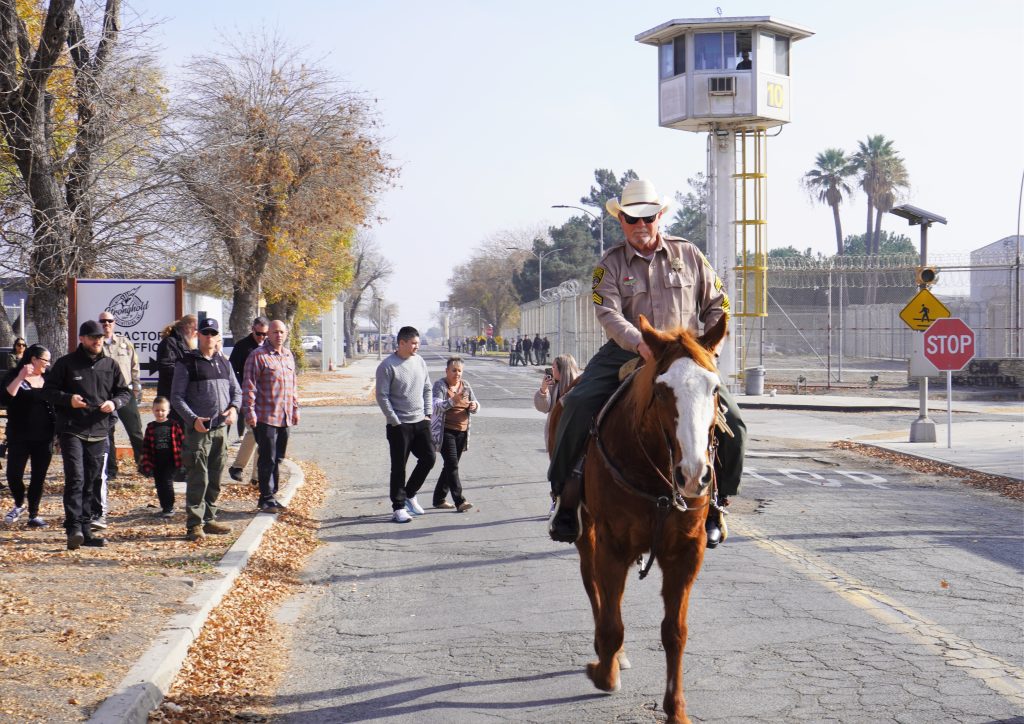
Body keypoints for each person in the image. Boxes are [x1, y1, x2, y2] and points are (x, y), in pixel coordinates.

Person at [547, 178, 746, 547]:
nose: (641, 226)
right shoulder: (607, 265)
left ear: (660, 216)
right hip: (626, 352)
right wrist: (640, 343)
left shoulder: (690, 255)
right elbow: (607, 312)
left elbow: (719, 303)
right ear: (620, 220)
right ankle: (564, 497)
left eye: (648, 218)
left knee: (734, 423)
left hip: (686, 357)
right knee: (574, 404)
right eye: (631, 219)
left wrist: (708, 350)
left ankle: (718, 502)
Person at [43, 320, 131, 549]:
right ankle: (73, 529)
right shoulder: (66, 364)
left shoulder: (110, 365)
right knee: (76, 479)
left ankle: (86, 531)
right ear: (82, 339)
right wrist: (68, 400)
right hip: (72, 429)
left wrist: (114, 403)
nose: (97, 341)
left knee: (92, 481)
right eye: (93, 337)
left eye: (100, 337)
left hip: (100, 431)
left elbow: (124, 392)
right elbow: (49, 391)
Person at [171, 318, 241, 541]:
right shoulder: (187, 363)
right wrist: (192, 420)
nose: (209, 337)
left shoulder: (223, 362)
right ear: (198, 335)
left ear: (218, 337)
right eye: (205, 333)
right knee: (197, 477)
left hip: (221, 430)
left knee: (215, 476)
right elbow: (177, 397)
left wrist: (234, 409)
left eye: (213, 334)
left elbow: (236, 391)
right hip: (199, 431)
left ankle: (209, 518)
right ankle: (194, 524)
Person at [375, 325, 435, 524]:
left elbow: (427, 388)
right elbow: (382, 396)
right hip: (399, 425)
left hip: (420, 421)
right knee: (399, 467)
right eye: (413, 343)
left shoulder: (419, 361)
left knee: (429, 458)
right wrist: (395, 420)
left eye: (417, 343)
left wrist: (428, 413)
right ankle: (398, 507)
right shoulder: (387, 366)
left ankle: (409, 493)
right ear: (402, 343)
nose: (417, 347)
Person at [242, 319, 299, 513]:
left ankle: (272, 495)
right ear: (268, 334)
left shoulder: (288, 355)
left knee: (279, 457)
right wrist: (249, 412)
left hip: (284, 416)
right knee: (268, 456)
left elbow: (293, 385)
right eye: (275, 332)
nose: (279, 335)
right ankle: (265, 497)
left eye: (282, 332)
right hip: (265, 416)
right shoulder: (258, 356)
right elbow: (249, 386)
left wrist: (295, 408)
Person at [1, 344, 55, 527]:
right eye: (45, 360)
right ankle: (19, 503)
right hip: (19, 435)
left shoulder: (49, 379)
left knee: (38, 477)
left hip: (44, 436)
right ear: (33, 359)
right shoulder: (13, 376)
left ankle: (33, 514)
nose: (47, 364)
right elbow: (5, 399)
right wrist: (21, 377)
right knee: (13, 475)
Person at [98, 311, 144, 480]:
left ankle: (144, 465)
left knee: (135, 431)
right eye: (103, 321)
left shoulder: (125, 343)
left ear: (114, 323)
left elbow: (135, 366)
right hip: (105, 396)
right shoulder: (97, 345)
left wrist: (137, 389)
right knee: (107, 434)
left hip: (125, 394)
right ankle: (111, 470)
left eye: (109, 321)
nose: (106, 324)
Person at [430, 357, 479, 512]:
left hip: (462, 432)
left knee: (450, 466)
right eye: (453, 370)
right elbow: (436, 406)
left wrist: (473, 406)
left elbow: (477, 404)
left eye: (459, 371)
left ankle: (438, 498)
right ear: (447, 371)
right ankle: (460, 501)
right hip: (446, 432)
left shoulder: (466, 385)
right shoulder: (440, 385)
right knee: (452, 465)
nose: (457, 374)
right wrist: (453, 400)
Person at [227, 316, 269, 485]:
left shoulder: (269, 346)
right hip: (248, 395)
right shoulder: (242, 347)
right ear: (253, 330)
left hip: (266, 396)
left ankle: (256, 475)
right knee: (254, 431)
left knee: (264, 435)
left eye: (265, 334)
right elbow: (232, 371)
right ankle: (239, 467)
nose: (262, 338)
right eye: (259, 334)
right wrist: (239, 393)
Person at [139, 396, 184, 518]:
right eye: (157, 410)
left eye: (163, 410)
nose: (160, 413)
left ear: (168, 411)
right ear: (153, 410)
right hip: (156, 461)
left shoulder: (173, 425)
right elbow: (146, 445)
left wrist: (183, 459)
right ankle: (164, 507)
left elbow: (182, 442)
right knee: (159, 484)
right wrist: (145, 462)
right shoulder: (151, 427)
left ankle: (169, 507)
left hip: (171, 461)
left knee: (167, 482)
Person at [533, 354, 581, 454]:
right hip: (555, 436)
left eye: (554, 367)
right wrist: (543, 389)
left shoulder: (579, 387)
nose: (551, 369)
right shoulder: (554, 386)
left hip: (571, 438)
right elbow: (543, 408)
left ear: (562, 370)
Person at [157, 314, 198, 404]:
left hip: (183, 394)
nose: (196, 333)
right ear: (186, 328)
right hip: (170, 394)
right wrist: (185, 376)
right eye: (195, 329)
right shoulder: (170, 342)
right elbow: (166, 367)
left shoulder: (186, 343)